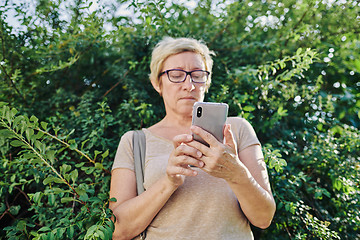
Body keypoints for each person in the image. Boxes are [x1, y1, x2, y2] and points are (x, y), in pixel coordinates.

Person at [109, 37, 276, 239]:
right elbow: (119, 231)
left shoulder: (236, 130)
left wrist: (235, 173)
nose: (189, 85)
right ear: (156, 82)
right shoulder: (134, 142)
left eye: (198, 75)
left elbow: (264, 218)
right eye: (177, 75)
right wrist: (169, 181)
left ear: (207, 82)